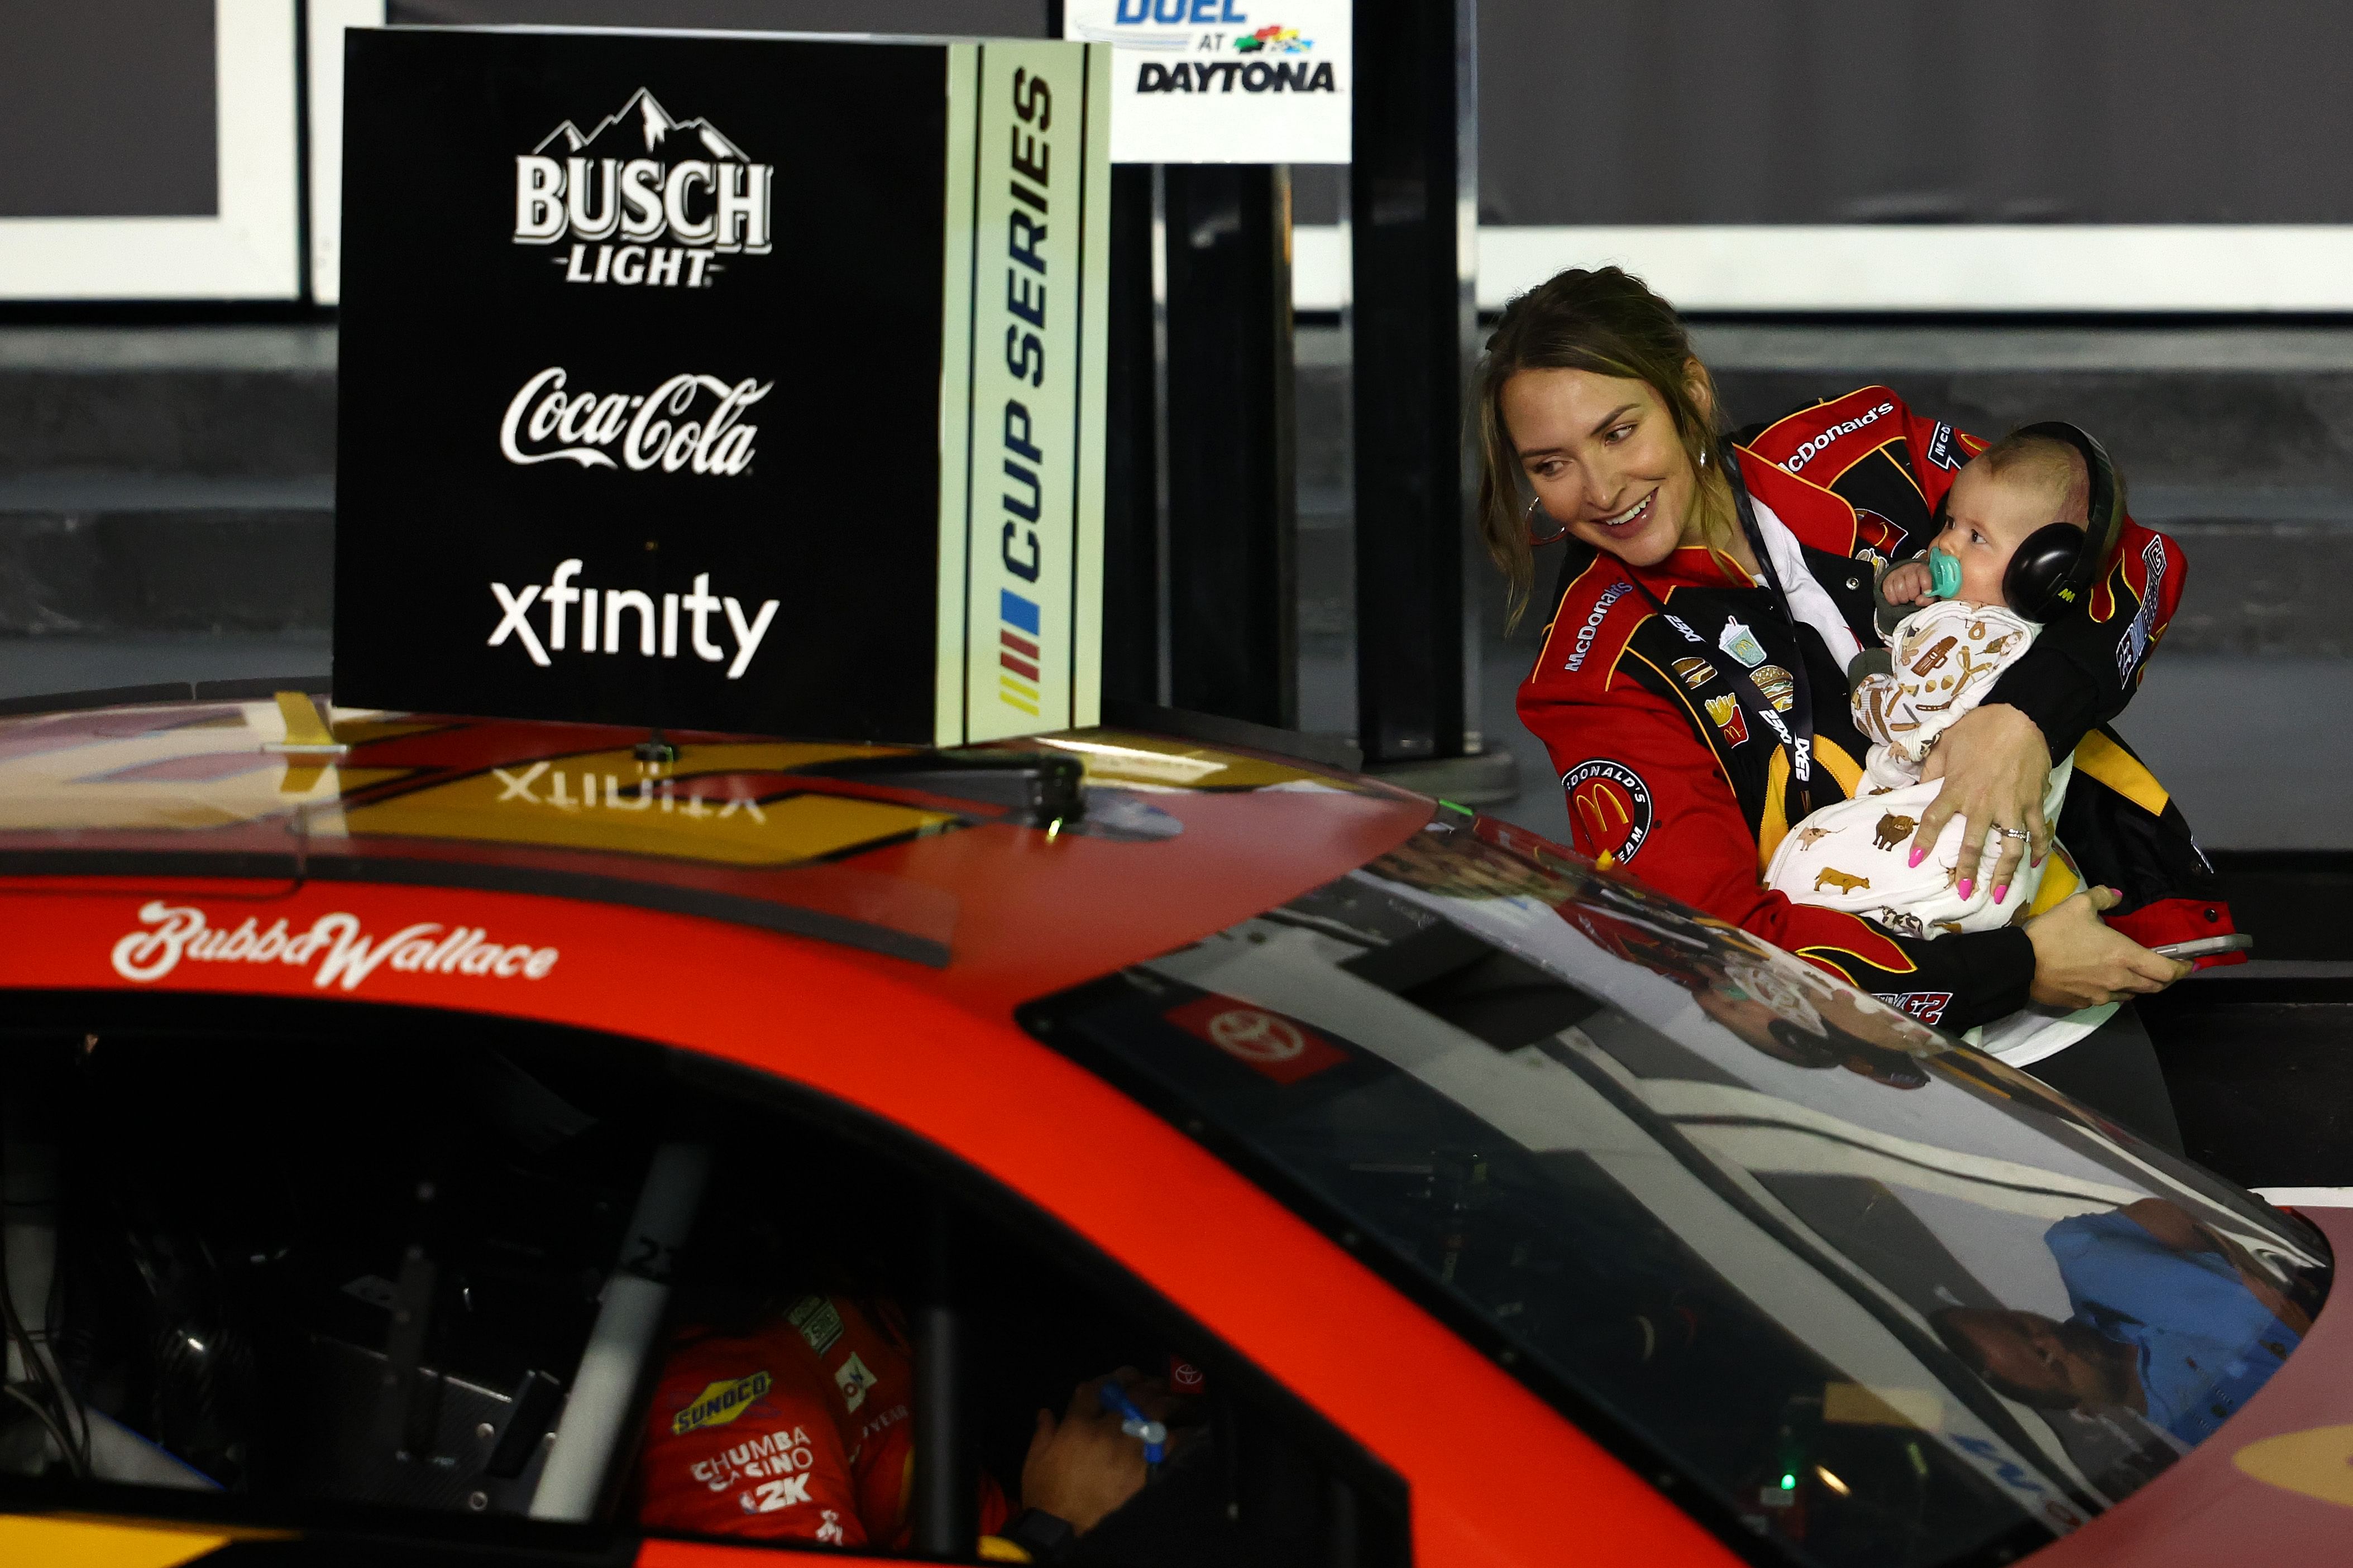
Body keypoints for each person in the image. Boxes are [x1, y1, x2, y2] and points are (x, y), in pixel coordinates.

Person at [1482, 266, 2232, 1038]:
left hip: (2099, 952)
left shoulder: (1864, 445)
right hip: (1882, 1052)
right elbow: (1711, 947)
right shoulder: (1591, 672)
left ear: (1690, 395)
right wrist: (2019, 970)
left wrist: (2022, 721)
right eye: (1550, 465)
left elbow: (2136, 561)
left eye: (1617, 432)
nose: (1600, 487)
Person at [1764, 429, 2100, 938]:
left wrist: (1867, 678)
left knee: (1800, 883)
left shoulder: (1979, 638)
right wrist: (1901, 605)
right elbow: (1919, 646)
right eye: (1950, 522)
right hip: (1982, 846)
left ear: (2041, 572)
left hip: (1950, 835)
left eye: (1976, 537)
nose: (1945, 542)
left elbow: (1898, 715)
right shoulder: (2002, 623)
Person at [1934, 1198, 2313, 1449]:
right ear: (2077, 1408)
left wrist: (2253, 1270)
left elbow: (2197, 1207)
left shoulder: (2084, 1257)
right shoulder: (2188, 1438)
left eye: (2022, 1325)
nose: (2049, 1336)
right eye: (2044, 1358)